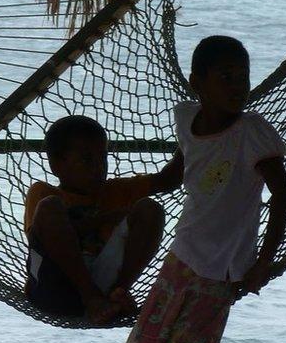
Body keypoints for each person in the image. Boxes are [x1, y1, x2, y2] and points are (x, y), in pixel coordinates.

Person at [94, 35, 286, 343]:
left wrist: (262, 263)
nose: (239, 86)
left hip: (219, 273)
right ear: (196, 82)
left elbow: (284, 197)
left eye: (243, 77)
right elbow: (172, 176)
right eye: (226, 77)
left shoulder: (252, 133)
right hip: (180, 258)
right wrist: (111, 197)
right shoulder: (188, 120)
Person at [24, 115, 177, 324]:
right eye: (87, 160)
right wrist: (109, 218)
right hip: (53, 287)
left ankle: (119, 293)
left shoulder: (115, 191)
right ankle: (92, 298)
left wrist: (196, 133)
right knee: (51, 206)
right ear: (57, 164)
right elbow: (52, 238)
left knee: (150, 209)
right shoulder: (43, 193)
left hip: (104, 286)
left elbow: (167, 181)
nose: (99, 167)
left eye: (103, 157)